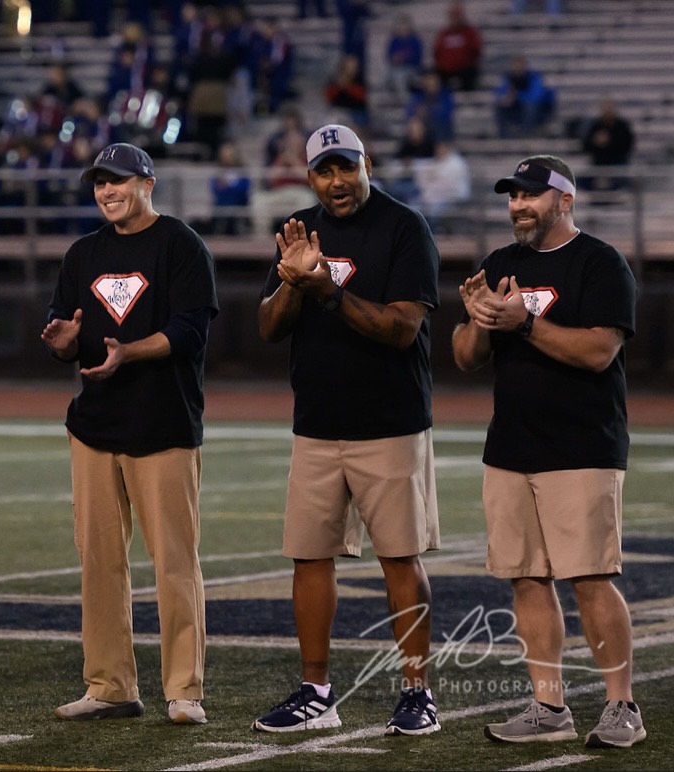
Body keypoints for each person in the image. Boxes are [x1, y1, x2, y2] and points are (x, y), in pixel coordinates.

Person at [252, 124, 442, 736]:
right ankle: (316, 690)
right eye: (324, 171)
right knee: (309, 556)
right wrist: (291, 281)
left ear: (367, 163)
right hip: (317, 422)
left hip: (389, 421)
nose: (336, 182)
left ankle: (419, 692)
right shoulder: (300, 230)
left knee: (399, 558)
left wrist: (328, 290)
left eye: (346, 168)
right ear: (310, 176)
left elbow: (401, 327)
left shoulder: (404, 226)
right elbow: (267, 329)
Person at [450, 156, 645, 749]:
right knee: (526, 580)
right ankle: (548, 707)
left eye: (531, 195)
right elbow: (464, 357)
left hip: (582, 444)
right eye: (512, 196)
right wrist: (480, 320)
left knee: (589, 576)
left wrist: (525, 324)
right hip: (511, 446)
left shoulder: (601, 263)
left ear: (565, 200)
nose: (518, 205)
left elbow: (598, 353)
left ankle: (622, 708)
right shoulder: (500, 264)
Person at [41, 142, 219, 725]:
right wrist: (63, 341)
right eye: (100, 184)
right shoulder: (83, 252)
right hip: (95, 426)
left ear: (148, 183)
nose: (108, 192)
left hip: (163, 424)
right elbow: (63, 326)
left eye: (118, 182)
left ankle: (183, 689)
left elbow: (190, 330)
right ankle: (110, 685)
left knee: (174, 562)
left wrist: (128, 353)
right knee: (98, 561)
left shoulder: (181, 245)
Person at [580, 98, 635, 193]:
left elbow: (628, 145)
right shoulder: (596, 126)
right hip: (598, 165)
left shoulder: (622, 126)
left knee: (618, 182)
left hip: (618, 165)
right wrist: (595, 142)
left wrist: (610, 141)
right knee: (579, 181)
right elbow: (585, 146)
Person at [493, 55, 555, 139]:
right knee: (499, 106)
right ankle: (504, 137)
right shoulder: (508, 78)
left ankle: (526, 134)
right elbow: (499, 94)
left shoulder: (534, 77)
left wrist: (516, 96)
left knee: (530, 106)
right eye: (515, 65)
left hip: (540, 111)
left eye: (520, 65)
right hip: (518, 110)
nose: (517, 68)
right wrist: (505, 99)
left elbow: (536, 97)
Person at [433, 1, 483, 91]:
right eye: (453, 17)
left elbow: (476, 50)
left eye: (457, 17)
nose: (455, 20)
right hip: (446, 69)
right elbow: (437, 51)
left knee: (469, 74)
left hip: (465, 68)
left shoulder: (470, 32)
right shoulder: (444, 33)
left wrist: (467, 61)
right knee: (433, 75)